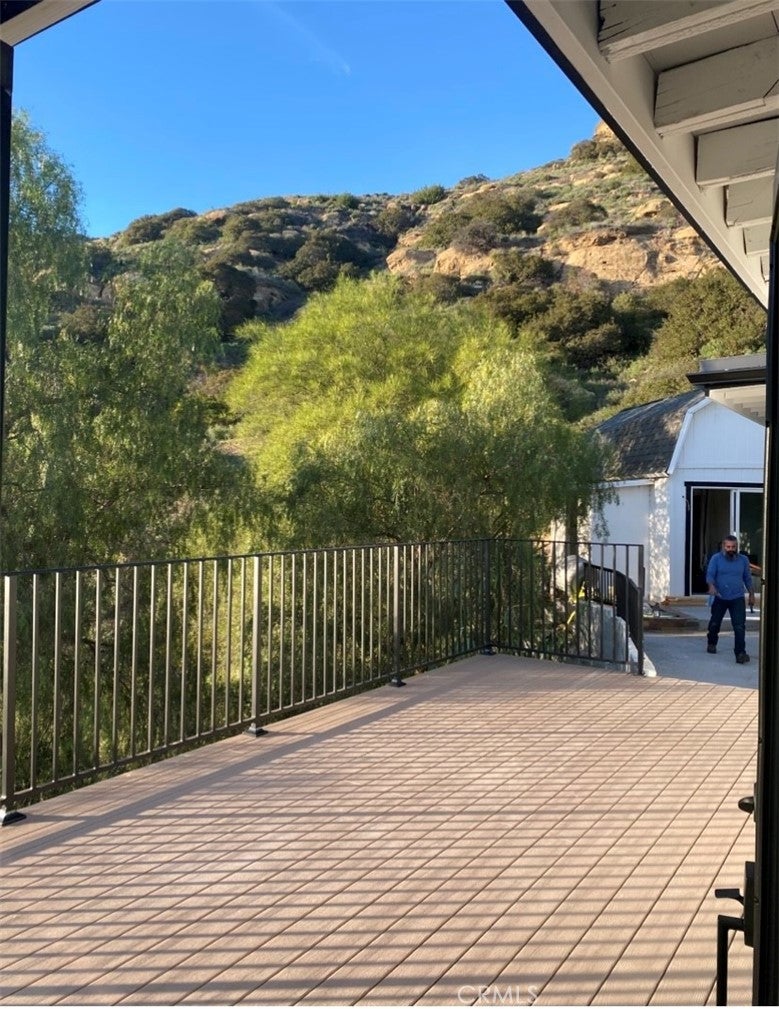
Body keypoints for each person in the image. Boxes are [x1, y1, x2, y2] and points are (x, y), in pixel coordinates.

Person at [706, 534, 755, 663]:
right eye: (728, 547)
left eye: (733, 547)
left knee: (739, 626)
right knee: (715, 623)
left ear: (737, 547)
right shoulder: (716, 559)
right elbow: (710, 575)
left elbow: (747, 578)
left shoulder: (743, 560)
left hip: (737, 597)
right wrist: (711, 586)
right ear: (723, 546)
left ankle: (740, 653)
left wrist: (751, 594)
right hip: (720, 597)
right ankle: (712, 643)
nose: (731, 549)